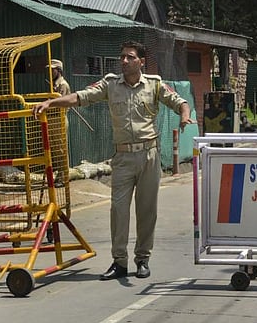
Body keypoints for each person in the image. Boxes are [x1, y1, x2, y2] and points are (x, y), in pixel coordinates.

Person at [32, 41, 194, 280]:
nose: (124, 61)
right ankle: (119, 262)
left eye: (130, 57)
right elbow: (80, 97)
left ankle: (142, 259)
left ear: (141, 61)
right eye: (122, 57)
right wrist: (50, 102)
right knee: (118, 210)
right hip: (122, 158)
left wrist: (184, 116)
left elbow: (180, 102)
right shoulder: (110, 85)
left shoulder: (154, 85)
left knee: (147, 210)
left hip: (149, 155)